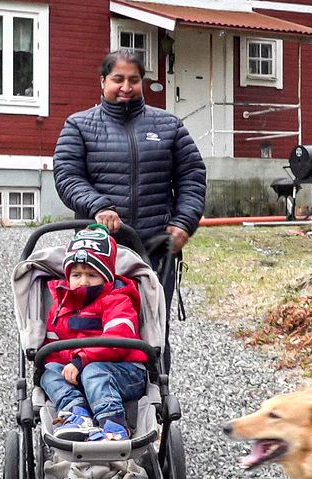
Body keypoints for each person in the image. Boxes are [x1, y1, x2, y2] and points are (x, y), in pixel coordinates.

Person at [53, 49, 207, 315]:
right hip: (98, 251)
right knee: (97, 327)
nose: (126, 87)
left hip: (156, 250)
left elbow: (192, 177)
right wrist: (99, 207)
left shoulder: (169, 125)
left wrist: (183, 222)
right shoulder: (78, 126)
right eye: (118, 79)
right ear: (103, 81)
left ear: (141, 82)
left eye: (133, 80)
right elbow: (67, 176)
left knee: (153, 334)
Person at [40, 225, 149, 442]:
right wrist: (62, 365)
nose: (83, 281)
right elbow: (53, 347)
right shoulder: (60, 305)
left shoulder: (118, 300)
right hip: (77, 371)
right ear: (67, 276)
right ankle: (77, 412)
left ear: (107, 277)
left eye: (92, 274)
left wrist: (81, 360)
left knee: (93, 372)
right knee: (48, 371)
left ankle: (114, 425)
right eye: (77, 274)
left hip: (124, 372)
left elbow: (119, 339)